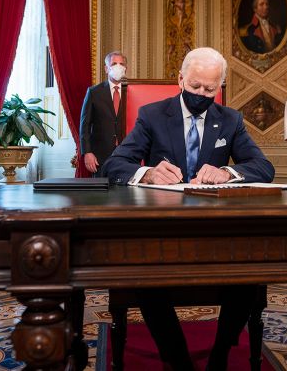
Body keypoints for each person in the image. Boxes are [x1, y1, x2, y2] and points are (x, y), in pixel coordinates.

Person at [103, 47, 274, 370]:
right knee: (145, 277)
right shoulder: (153, 115)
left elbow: (263, 167)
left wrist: (227, 172)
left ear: (219, 88)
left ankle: (220, 355)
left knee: (251, 270)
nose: (201, 94)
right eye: (195, 86)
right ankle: (178, 360)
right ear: (180, 79)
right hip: (161, 229)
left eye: (210, 90)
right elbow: (115, 165)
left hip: (216, 230)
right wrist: (149, 172)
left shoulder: (230, 120)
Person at [79, 51, 127, 177]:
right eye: (114, 63)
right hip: (100, 156)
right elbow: (85, 125)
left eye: (121, 64)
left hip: (127, 154)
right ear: (106, 68)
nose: (118, 66)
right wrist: (87, 152)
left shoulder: (133, 91)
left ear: (125, 69)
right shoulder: (94, 92)